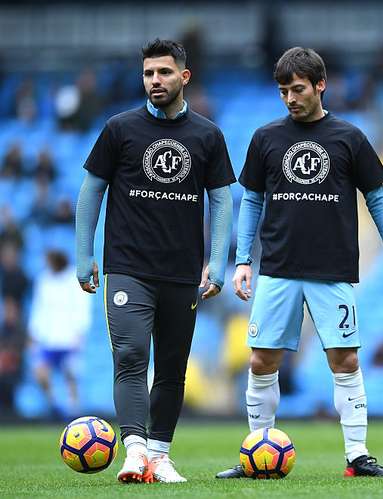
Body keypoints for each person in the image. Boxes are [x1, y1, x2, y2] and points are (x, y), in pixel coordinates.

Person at [216, 47, 383, 479]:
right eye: (283, 90)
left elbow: (377, 199)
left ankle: (358, 456)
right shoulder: (265, 138)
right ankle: (257, 454)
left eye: (298, 88)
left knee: (344, 361)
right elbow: (251, 201)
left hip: (332, 270)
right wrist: (243, 260)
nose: (290, 97)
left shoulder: (349, 137)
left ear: (320, 85)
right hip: (278, 270)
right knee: (261, 362)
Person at [75, 39, 235, 483]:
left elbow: (221, 201)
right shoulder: (119, 129)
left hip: (182, 271)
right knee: (129, 356)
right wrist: (84, 254)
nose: (155, 81)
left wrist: (216, 263)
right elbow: (91, 191)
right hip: (127, 267)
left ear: (183, 77)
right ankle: (135, 449)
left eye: (164, 73)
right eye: (148, 73)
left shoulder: (208, 135)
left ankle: (160, 456)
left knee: (171, 367)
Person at [28, 250, 91, 419]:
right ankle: (53, 403)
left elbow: (81, 306)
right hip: (48, 338)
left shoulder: (73, 279)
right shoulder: (43, 279)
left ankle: (74, 410)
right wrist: (33, 334)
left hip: (69, 337)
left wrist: (80, 332)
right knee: (40, 372)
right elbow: (38, 307)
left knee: (70, 374)